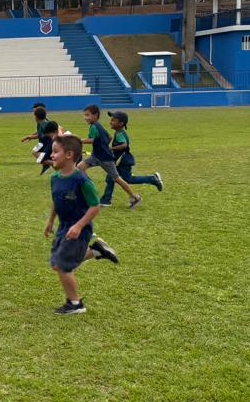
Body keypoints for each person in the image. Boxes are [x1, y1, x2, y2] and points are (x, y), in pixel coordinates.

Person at [44, 134, 115, 314]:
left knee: (62, 265)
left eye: (55, 151)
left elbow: (95, 207)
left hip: (79, 230)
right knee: (56, 264)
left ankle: (75, 304)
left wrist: (79, 226)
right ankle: (97, 251)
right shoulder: (54, 177)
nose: (51, 155)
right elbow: (56, 200)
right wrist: (50, 220)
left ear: (69, 155)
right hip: (63, 227)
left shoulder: (82, 181)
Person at [78, 104, 139, 208]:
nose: (85, 117)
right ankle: (90, 189)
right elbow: (109, 136)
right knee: (79, 168)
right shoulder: (98, 125)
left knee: (117, 178)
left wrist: (79, 140)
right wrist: (104, 146)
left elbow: (92, 140)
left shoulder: (94, 126)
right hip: (96, 156)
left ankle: (134, 197)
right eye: (85, 115)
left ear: (95, 115)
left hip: (105, 158)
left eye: (87, 115)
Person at [100, 111, 162, 205]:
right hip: (120, 161)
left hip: (123, 161)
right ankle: (106, 199)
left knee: (128, 179)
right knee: (111, 178)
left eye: (113, 120)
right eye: (111, 120)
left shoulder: (119, 134)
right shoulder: (119, 132)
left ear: (121, 123)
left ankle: (152, 179)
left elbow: (124, 145)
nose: (110, 122)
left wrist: (110, 148)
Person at [21, 103, 63, 174]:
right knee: (35, 152)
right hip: (43, 143)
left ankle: (58, 166)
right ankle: (53, 168)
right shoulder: (41, 123)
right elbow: (39, 133)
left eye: (34, 113)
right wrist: (30, 136)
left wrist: (29, 137)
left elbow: (41, 134)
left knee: (41, 159)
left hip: (47, 144)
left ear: (36, 116)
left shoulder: (45, 124)